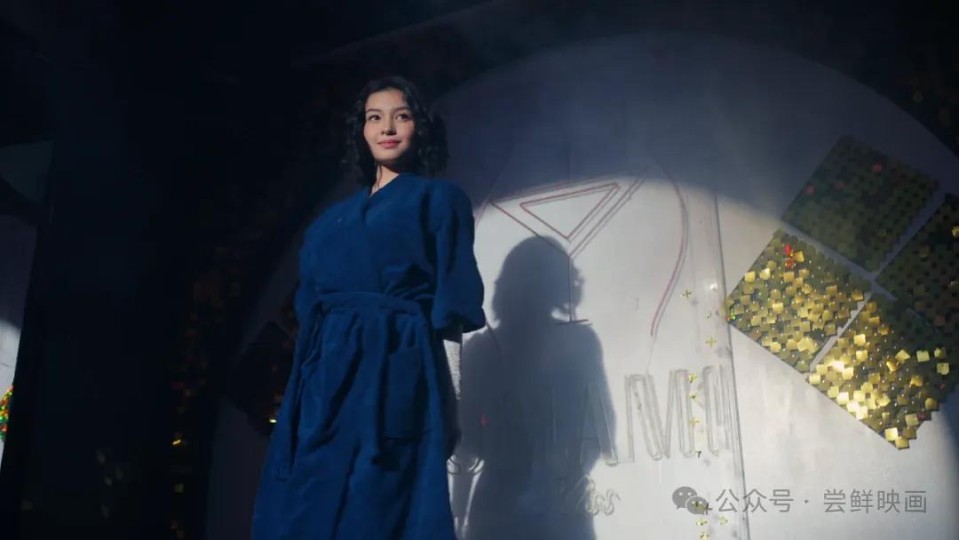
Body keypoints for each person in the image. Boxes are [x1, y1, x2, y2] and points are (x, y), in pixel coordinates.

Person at [252, 75, 486, 539]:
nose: (388, 128)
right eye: (375, 117)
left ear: (420, 127)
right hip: (325, 380)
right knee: (307, 503)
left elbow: (450, 310)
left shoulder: (440, 200)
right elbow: (308, 311)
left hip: (396, 367)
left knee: (379, 503)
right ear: (361, 131)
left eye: (402, 116)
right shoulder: (326, 225)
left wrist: (449, 406)